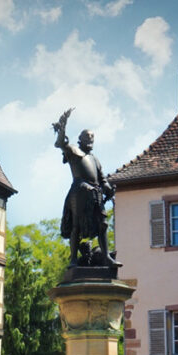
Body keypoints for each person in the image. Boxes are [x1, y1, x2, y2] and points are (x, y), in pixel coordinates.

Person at [52, 108, 118, 268]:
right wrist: (62, 129)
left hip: (96, 193)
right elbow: (60, 143)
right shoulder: (73, 151)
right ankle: (73, 259)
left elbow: (102, 178)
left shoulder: (94, 159)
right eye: (87, 137)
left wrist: (108, 188)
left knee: (103, 224)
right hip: (80, 191)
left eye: (92, 137)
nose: (90, 139)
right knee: (76, 225)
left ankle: (107, 257)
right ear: (80, 139)